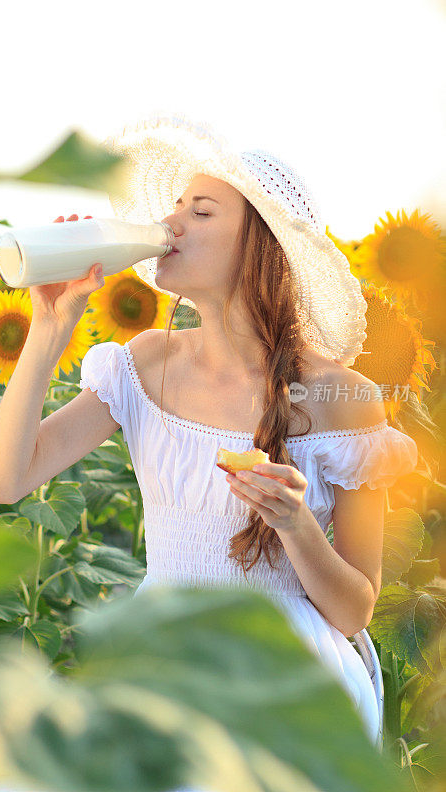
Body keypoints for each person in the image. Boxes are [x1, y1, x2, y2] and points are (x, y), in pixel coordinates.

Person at [78, 113, 418, 752]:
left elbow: (353, 612)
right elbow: (3, 481)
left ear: (260, 247)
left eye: (201, 212)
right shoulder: (146, 363)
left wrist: (296, 527)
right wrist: (49, 321)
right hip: (161, 650)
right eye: (175, 206)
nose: (171, 224)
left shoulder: (345, 401)